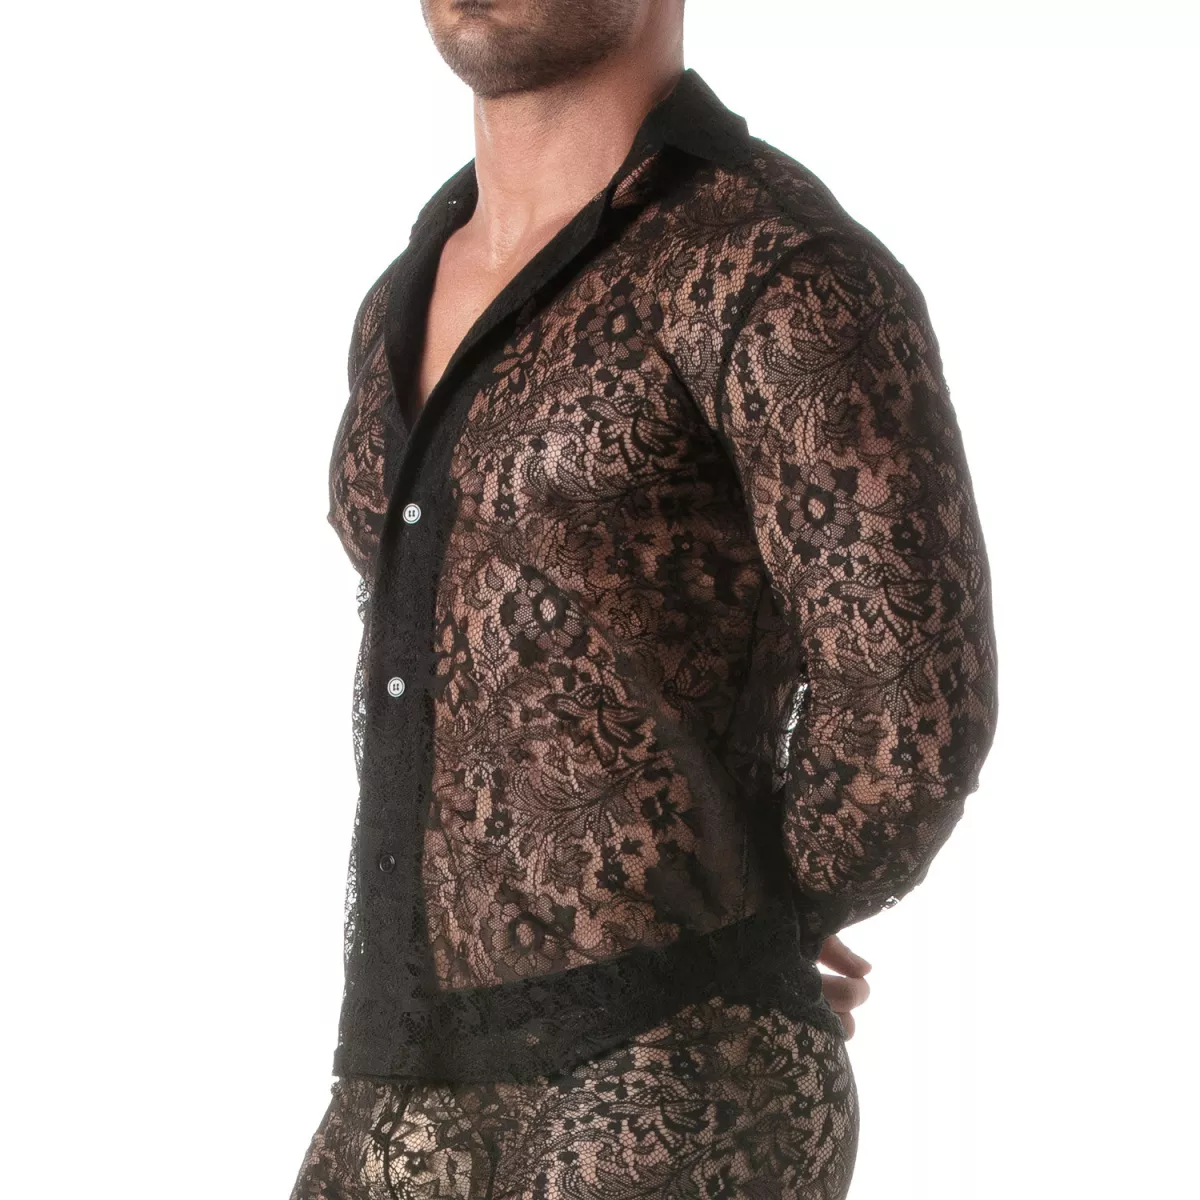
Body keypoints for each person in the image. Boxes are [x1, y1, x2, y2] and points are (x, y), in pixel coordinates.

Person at [289, 1, 998, 1196]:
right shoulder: (404, 290)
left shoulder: (775, 266)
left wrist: (737, 930)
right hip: (405, 1067)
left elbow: (910, 711)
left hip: (668, 1074)